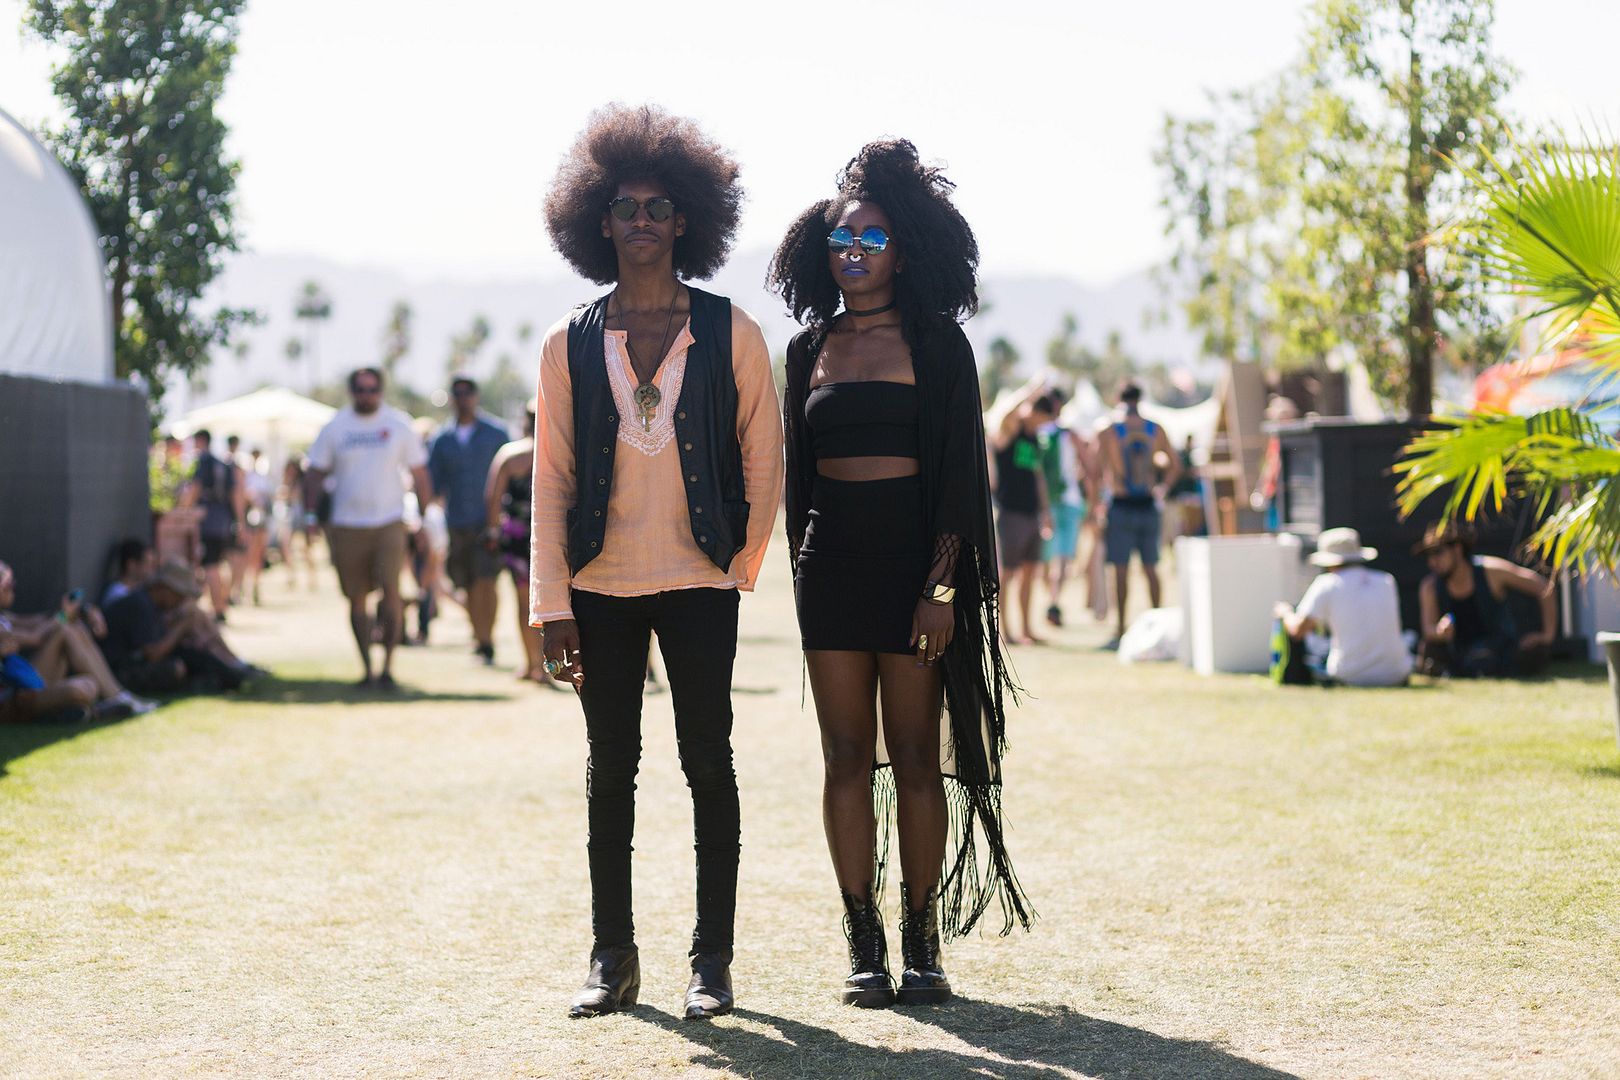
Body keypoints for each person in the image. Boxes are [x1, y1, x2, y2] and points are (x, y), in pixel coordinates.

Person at [532, 104, 783, 1021]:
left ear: (687, 222)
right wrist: (551, 605)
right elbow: (552, 479)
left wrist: (739, 565)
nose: (642, 220)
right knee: (611, 769)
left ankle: (710, 964)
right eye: (626, 207)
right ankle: (613, 959)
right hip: (599, 586)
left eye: (659, 206)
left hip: (700, 581)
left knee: (707, 763)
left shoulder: (733, 333)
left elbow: (765, 456)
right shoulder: (565, 341)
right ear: (598, 221)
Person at [770, 138, 1033, 1010]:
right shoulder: (806, 350)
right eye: (843, 240)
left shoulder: (940, 346)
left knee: (918, 757)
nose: (854, 252)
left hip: (919, 573)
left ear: (904, 249)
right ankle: (862, 940)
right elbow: (798, 480)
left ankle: (923, 940)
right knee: (846, 756)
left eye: (872, 240)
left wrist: (944, 587)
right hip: (831, 570)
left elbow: (961, 478)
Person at [306, 368, 433, 690]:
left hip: (390, 522)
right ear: (352, 392)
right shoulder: (335, 427)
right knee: (357, 599)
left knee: (392, 592)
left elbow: (419, 474)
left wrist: (423, 518)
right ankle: (367, 669)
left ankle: (389, 666)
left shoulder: (398, 425)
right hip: (346, 526)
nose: (367, 395)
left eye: (373, 388)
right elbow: (315, 473)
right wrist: (309, 516)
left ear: (381, 390)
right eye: (361, 389)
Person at [0, 560, 155, 720]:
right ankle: (99, 706)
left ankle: (115, 696)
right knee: (79, 688)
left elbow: (40, 620)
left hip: (26, 684)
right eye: (9, 585)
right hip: (12, 701)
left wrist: (83, 611)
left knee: (88, 682)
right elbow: (36, 637)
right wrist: (64, 616)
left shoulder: (5, 617)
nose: (13, 589)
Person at [428, 376, 511, 665]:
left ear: (476, 396)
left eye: (468, 393)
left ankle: (486, 641)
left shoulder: (496, 433)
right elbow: (433, 485)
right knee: (466, 582)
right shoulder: (441, 439)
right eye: (458, 393)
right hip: (457, 523)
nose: (463, 398)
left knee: (486, 581)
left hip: (487, 523)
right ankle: (479, 636)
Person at [1097, 382, 1182, 644]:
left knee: (1120, 570)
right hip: (1147, 504)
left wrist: (1097, 504)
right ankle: (1157, 627)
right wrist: (1162, 489)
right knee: (1151, 568)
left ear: (1117, 398)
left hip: (1121, 505)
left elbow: (1098, 472)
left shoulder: (1107, 430)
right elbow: (1175, 466)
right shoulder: (1154, 429)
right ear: (1140, 399)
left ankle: (1121, 628)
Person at [1274, 527, 1412, 687]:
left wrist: (1285, 613)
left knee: (1314, 644)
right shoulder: (1386, 581)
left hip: (1350, 674)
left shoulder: (1327, 584)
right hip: (1396, 674)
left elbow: (1297, 631)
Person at [1415, 523, 1556, 678]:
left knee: (1532, 654)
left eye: (1437, 553)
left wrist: (1547, 635)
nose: (1432, 561)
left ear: (1457, 549)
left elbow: (1544, 587)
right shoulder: (1430, 586)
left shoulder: (1491, 571)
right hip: (1457, 654)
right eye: (1428, 555)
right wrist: (1440, 631)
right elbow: (1428, 630)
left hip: (1500, 651)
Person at [100, 560, 251, 695]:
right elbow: (152, 654)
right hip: (119, 670)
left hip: (131, 663)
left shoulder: (149, 604)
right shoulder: (140, 605)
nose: (181, 601)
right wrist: (181, 628)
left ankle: (232, 673)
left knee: (191, 654)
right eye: (180, 595)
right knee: (175, 668)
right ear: (166, 589)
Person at [989, 384, 1056, 645]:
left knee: (1030, 573)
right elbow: (1006, 411)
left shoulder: (1033, 439)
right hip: (1010, 514)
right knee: (1007, 574)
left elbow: (1037, 476)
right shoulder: (1009, 432)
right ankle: (1006, 631)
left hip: (1031, 515)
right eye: (1043, 419)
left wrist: (1046, 511)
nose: (1043, 425)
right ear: (1032, 411)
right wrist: (1032, 387)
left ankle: (1027, 629)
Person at [486, 399, 547, 683]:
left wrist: (492, 531)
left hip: (518, 536)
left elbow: (493, 498)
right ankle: (543, 666)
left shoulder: (511, 455)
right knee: (551, 603)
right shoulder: (559, 450)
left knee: (525, 602)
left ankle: (533, 664)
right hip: (548, 536)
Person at [1039, 392, 1093, 628]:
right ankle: (1054, 600)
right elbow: (1090, 466)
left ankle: (1051, 600)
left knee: (1046, 558)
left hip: (1044, 504)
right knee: (1061, 558)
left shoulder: (1037, 434)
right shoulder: (1069, 435)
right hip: (1069, 501)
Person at [188, 429, 244, 620]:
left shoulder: (204, 462)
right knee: (218, 565)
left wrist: (183, 510)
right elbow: (235, 495)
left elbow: (195, 489)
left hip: (208, 522)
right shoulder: (223, 464)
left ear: (201, 440)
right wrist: (240, 522)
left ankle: (219, 608)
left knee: (210, 566)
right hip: (223, 522)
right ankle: (221, 604)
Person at [103, 538, 158, 608]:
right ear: (131, 564)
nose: (151, 570)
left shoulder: (136, 593)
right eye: (147, 564)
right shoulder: (118, 594)